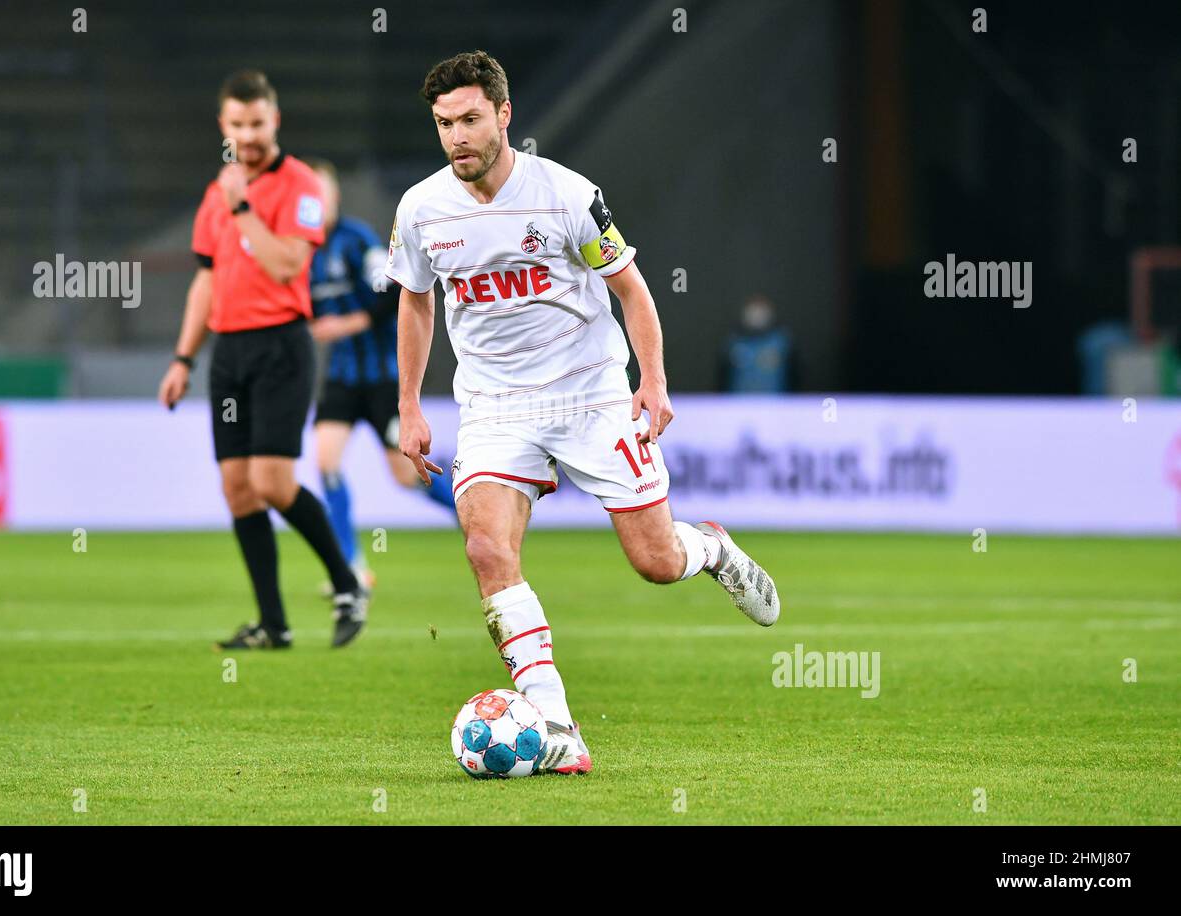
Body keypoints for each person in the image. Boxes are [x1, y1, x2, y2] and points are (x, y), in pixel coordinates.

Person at [386, 51, 782, 775]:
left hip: (591, 391)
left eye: (470, 119)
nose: (457, 138)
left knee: (656, 563)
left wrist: (653, 381)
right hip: (495, 404)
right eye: (444, 124)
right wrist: (409, 404)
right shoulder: (421, 209)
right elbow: (415, 301)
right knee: (485, 549)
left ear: (504, 116)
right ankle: (559, 727)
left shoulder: (565, 196)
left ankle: (713, 549)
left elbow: (632, 291)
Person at [157, 70, 368, 650]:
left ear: (274, 120)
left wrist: (244, 206)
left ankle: (348, 583)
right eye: (237, 124)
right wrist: (182, 358)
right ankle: (273, 625)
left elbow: (284, 265)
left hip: (281, 347)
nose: (247, 135)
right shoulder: (215, 194)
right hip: (229, 354)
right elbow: (205, 282)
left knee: (273, 483)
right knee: (237, 488)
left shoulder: (299, 185)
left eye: (256, 123)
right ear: (223, 126)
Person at [306, 160, 457, 584]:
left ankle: (469, 514)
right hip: (340, 378)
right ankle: (352, 566)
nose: (316, 202)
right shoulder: (302, 251)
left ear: (334, 196)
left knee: (406, 475)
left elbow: (391, 289)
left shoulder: (356, 241)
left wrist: (345, 324)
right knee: (326, 461)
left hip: (382, 380)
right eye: (308, 194)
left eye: (322, 192)